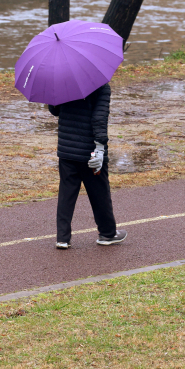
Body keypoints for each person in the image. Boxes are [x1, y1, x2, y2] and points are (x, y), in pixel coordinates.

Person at [48, 83, 127, 249]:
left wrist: (52, 94)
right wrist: (100, 148)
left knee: (66, 194)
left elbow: (55, 111)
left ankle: (62, 238)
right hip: (89, 151)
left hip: (66, 150)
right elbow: (99, 117)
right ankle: (107, 233)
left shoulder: (63, 82)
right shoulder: (101, 86)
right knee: (99, 192)